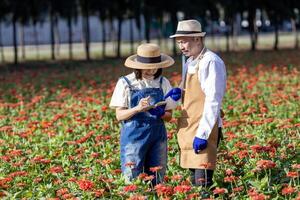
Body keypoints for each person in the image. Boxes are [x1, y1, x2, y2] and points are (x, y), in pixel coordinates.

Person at [109, 43, 181, 185]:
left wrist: (160, 113)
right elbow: (119, 115)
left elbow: (169, 116)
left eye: (155, 67)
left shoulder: (162, 82)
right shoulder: (126, 83)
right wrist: (137, 109)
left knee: (157, 177)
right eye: (147, 68)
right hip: (133, 137)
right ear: (137, 66)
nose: (152, 71)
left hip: (157, 137)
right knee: (132, 178)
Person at [169, 19, 227, 189]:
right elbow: (192, 91)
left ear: (197, 39)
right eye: (179, 42)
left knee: (203, 183)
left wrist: (203, 134)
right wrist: (178, 92)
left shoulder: (210, 61)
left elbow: (213, 101)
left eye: (184, 41)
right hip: (189, 126)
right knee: (195, 181)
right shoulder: (189, 62)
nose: (181, 46)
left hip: (204, 127)